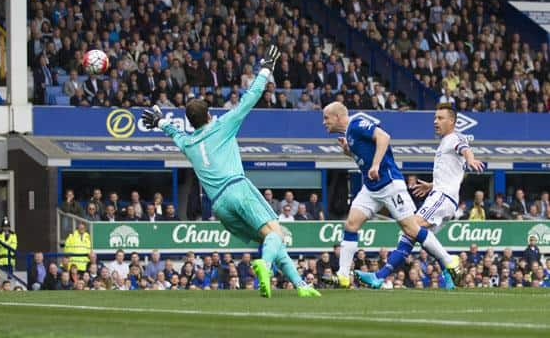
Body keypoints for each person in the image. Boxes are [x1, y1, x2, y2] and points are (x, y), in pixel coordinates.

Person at [141, 45, 320, 298]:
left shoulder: (188, 143)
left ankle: (301, 285)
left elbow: (174, 132)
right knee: (277, 232)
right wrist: (266, 69)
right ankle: (265, 266)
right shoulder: (223, 125)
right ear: (210, 115)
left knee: (269, 239)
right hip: (237, 189)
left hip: (220, 207)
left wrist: (159, 121)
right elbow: (251, 96)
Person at [320, 102, 462, 289]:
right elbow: (365, 154)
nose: (324, 123)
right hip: (371, 188)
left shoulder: (357, 123)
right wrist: (348, 151)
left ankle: (449, 260)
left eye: (326, 118)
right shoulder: (348, 134)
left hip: (389, 184)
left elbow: (384, 137)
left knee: (411, 229)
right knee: (351, 224)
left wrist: (376, 165)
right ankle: (344, 276)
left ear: (337, 117)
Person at [356, 103, 483, 289]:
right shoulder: (445, 142)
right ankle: (448, 277)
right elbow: (454, 173)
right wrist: (432, 185)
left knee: (411, 227)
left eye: (440, 118)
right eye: (434, 118)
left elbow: (465, 148)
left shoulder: (454, 138)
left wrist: (471, 158)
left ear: (452, 121)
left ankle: (450, 262)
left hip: (442, 198)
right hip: (443, 196)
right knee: (416, 236)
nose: (435, 121)